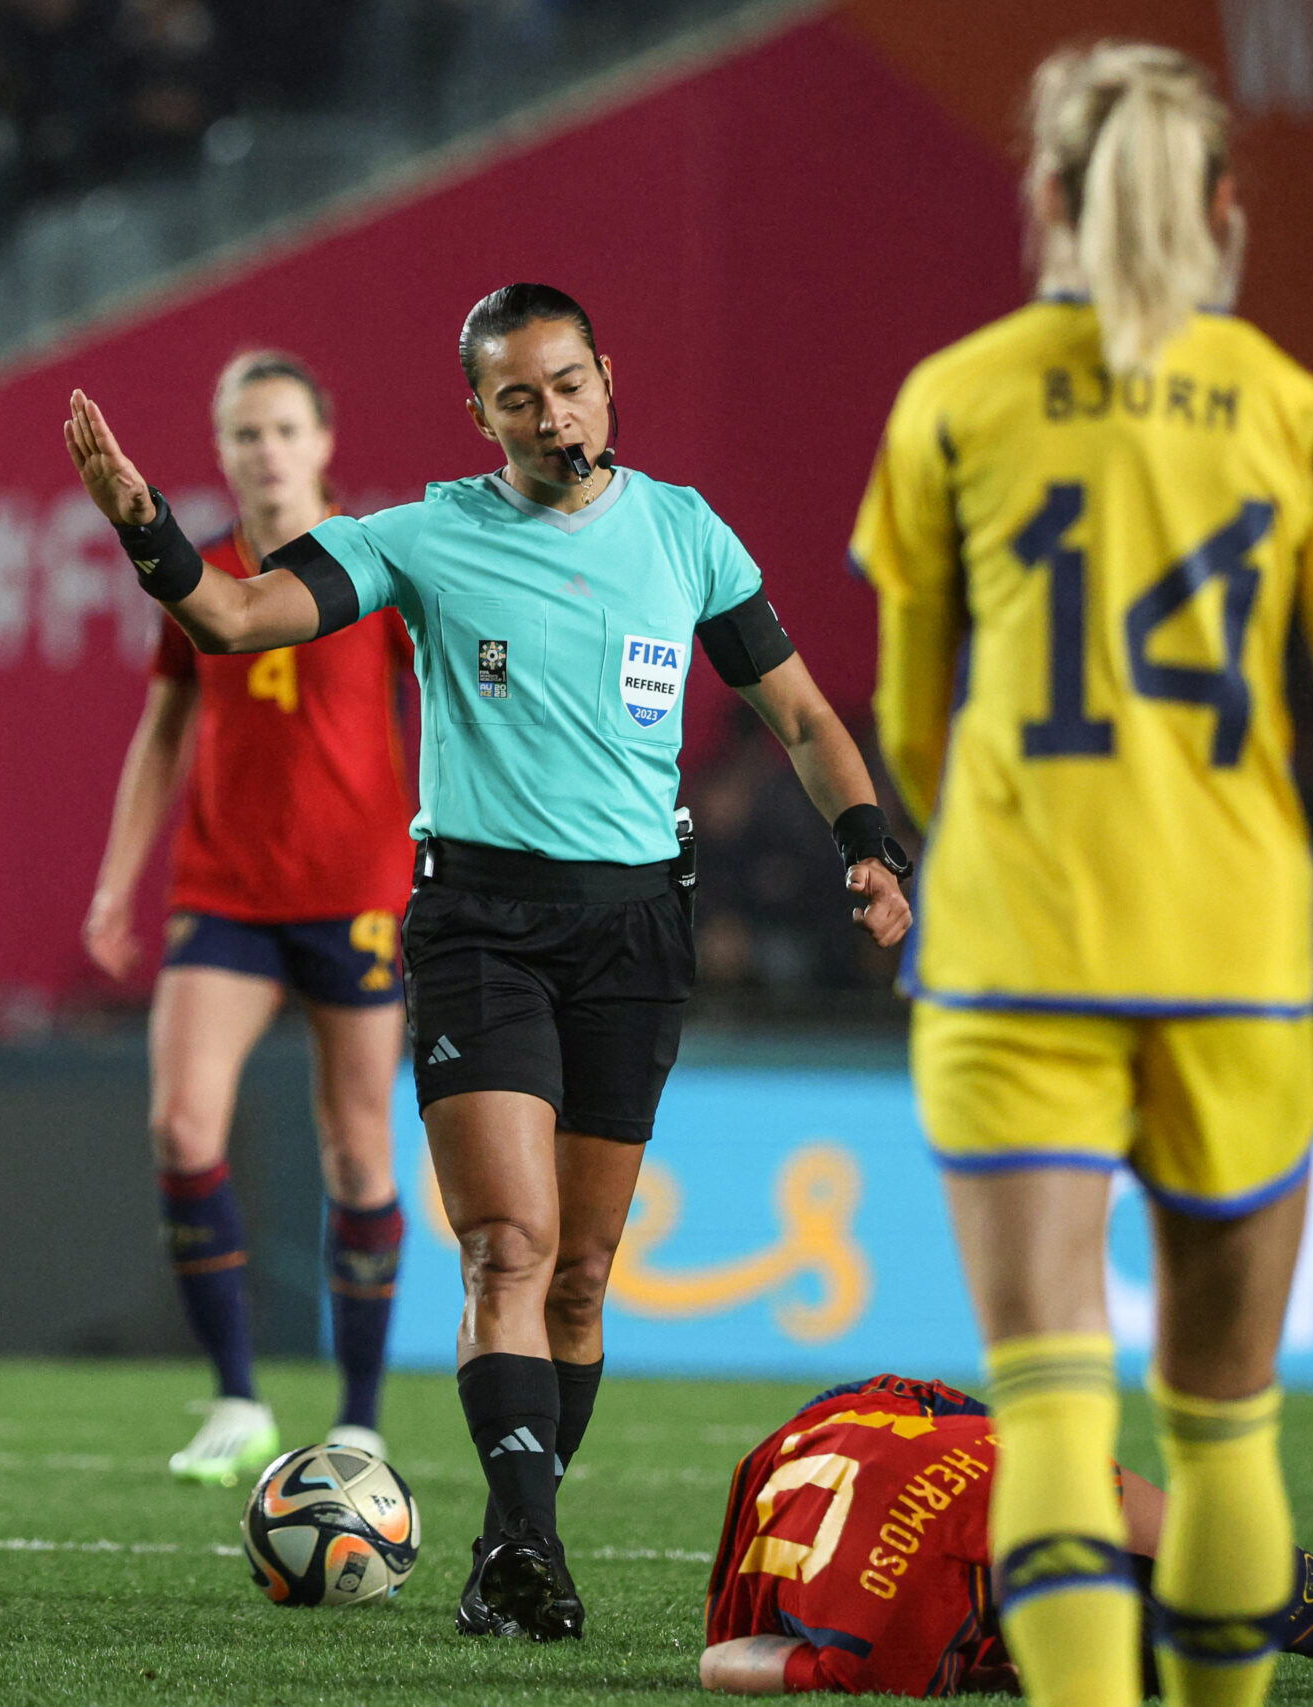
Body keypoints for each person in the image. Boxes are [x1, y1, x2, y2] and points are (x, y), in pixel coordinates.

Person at [63, 282, 912, 1643]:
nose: (550, 412)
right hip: (479, 926)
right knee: (505, 1246)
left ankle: (522, 1529)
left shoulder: (687, 532)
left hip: (638, 931)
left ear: (605, 377)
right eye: (517, 395)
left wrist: (867, 841)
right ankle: (523, 1543)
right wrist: (142, 523)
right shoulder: (423, 537)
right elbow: (230, 621)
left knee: (582, 1271)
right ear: (480, 414)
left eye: (567, 382)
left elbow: (800, 711)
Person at [852, 44, 1313, 1707]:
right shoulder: (1294, 412)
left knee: (1051, 1405)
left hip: (1010, 956)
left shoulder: (953, 398)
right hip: (1234, 955)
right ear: (1224, 212)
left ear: (1043, 198)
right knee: (1223, 1418)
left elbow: (912, 721)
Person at [83, 349, 415, 1486]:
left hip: (355, 890)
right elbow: (163, 728)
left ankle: (361, 1415)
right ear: (220, 451)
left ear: (323, 443)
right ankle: (235, 1397)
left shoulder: (376, 563)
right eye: (242, 434)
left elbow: (458, 705)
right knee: (180, 1125)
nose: (263, 451)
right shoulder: (197, 574)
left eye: (281, 429)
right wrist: (118, 877)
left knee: (359, 1149)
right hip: (224, 889)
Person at [698, 1375, 1313, 1695]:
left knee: (1221, 1571)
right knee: (1188, 1626)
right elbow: (722, 1660)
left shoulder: (890, 1643)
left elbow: (722, 1659)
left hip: (857, 1437)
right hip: (860, 1436)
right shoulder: (891, 1648)